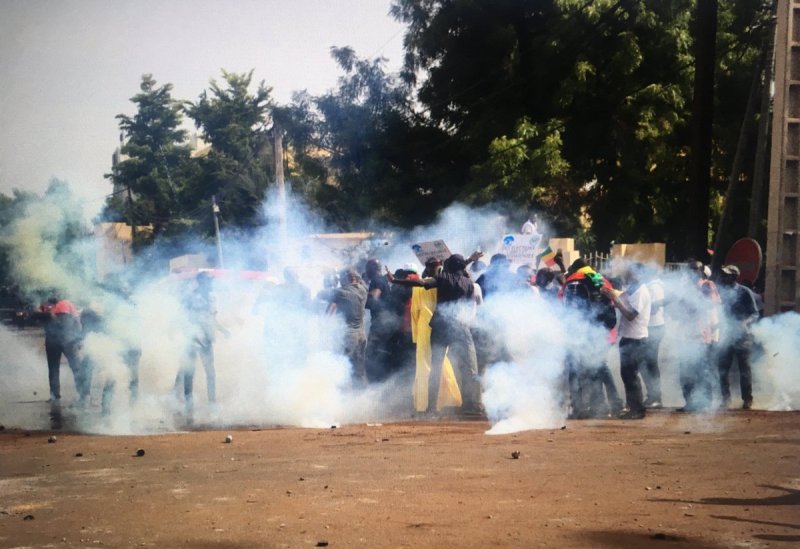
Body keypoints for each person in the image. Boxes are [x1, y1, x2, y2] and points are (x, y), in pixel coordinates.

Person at [387, 251, 486, 418]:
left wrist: (394, 280)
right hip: (461, 327)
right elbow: (469, 306)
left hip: (441, 327)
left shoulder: (443, 279)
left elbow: (419, 283)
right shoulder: (470, 283)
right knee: (470, 368)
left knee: (436, 368)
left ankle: (431, 409)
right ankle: (473, 406)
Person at [559, 260, 622, 419]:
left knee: (575, 370)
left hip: (577, 333)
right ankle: (612, 405)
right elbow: (611, 301)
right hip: (600, 332)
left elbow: (566, 308)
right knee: (599, 368)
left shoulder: (571, 281)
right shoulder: (599, 278)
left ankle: (580, 407)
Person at [409, 258, 463, 414]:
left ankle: (423, 404)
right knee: (442, 363)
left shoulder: (420, 284)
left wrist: (415, 335)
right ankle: (447, 399)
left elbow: (414, 311)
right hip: (441, 326)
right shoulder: (444, 282)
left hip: (424, 327)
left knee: (425, 365)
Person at [602, 263, 651, 420]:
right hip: (629, 337)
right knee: (627, 374)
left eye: (630, 273)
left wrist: (615, 300)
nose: (627, 276)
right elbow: (623, 296)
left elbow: (630, 314)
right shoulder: (634, 289)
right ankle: (634, 407)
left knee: (630, 374)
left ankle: (637, 410)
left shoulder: (642, 291)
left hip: (636, 339)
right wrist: (611, 294)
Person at [176, 272, 228, 416]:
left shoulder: (212, 297)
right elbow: (182, 318)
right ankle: (188, 406)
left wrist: (223, 330)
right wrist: (189, 333)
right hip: (193, 339)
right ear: (201, 282)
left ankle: (212, 404)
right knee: (189, 372)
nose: (210, 284)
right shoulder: (190, 297)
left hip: (207, 339)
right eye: (208, 281)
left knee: (210, 373)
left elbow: (211, 318)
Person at [672, 260, 720, 412]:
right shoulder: (683, 287)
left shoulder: (707, 285)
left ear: (701, 271)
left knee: (702, 371)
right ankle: (689, 403)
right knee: (685, 371)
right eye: (690, 270)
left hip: (702, 335)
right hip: (685, 335)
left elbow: (712, 304)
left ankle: (705, 404)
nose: (692, 272)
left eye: (695, 270)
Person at [717, 265, 758, 410]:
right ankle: (725, 400)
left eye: (726, 275)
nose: (723, 277)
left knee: (744, 370)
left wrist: (744, 323)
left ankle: (747, 399)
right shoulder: (720, 292)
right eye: (723, 274)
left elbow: (754, 314)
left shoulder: (744, 291)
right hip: (726, 335)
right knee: (723, 369)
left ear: (734, 277)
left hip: (743, 337)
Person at [327, 268, 369, 386]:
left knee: (342, 367)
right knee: (359, 368)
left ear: (348, 278)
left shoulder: (340, 292)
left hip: (348, 336)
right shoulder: (363, 290)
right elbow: (359, 282)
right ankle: (362, 395)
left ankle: (344, 398)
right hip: (362, 335)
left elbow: (328, 312)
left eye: (341, 278)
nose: (340, 280)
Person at [42, 295, 87, 402]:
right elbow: (77, 323)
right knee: (76, 367)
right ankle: (83, 394)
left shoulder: (48, 306)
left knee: (53, 368)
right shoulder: (69, 304)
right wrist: (79, 339)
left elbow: (40, 320)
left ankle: (54, 395)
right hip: (68, 341)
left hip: (53, 341)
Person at [363, 258, 394, 382]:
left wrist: (360, 300)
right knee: (381, 352)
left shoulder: (376, 280)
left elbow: (374, 297)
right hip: (386, 321)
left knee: (371, 354)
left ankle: (375, 383)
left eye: (367, 268)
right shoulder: (383, 279)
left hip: (380, 323)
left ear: (371, 269)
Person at [642, 266, 665, 408]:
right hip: (651, 327)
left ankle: (656, 397)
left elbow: (656, 307)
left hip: (654, 327)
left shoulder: (654, 287)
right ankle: (653, 395)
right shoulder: (651, 286)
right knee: (647, 363)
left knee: (650, 363)